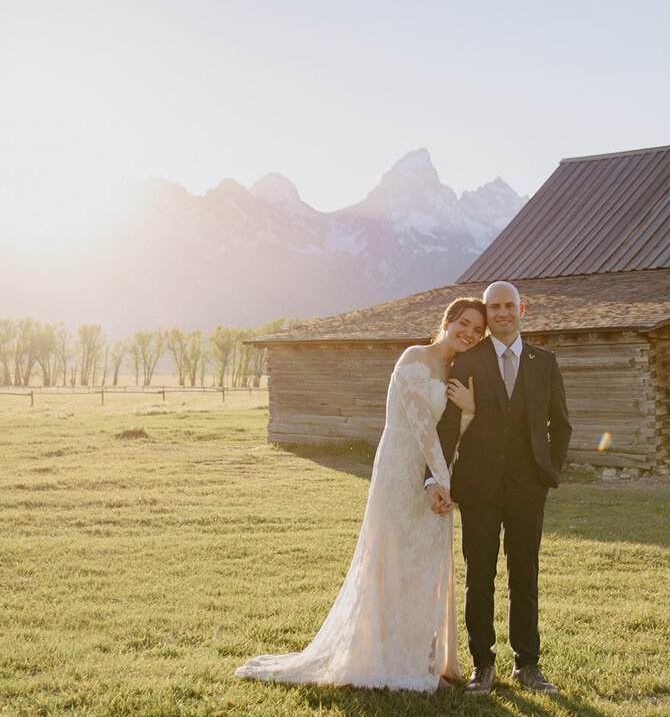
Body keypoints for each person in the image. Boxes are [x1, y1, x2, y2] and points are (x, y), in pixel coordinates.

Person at [234, 298, 487, 692]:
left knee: (426, 558)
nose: (469, 334)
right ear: (448, 320)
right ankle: (385, 657)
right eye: (465, 324)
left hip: (435, 470)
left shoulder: (456, 370)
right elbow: (421, 426)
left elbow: (447, 433)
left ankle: (423, 658)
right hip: (402, 466)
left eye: (478, 331)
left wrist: (468, 413)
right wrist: (439, 481)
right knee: (393, 557)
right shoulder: (414, 357)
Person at [426, 281, 572, 694]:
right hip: (478, 486)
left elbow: (560, 425)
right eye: (495, 307)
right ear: (487, 314)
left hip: (529, 487)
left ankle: (527, 665)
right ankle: (483, 665)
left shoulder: (545, 361)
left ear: (522, 309)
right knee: (480, 576)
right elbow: (450, 425)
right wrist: (437, 475)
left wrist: (550, 471)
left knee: (524, 575)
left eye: (510, 305)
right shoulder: (468, 360)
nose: (503, 313)